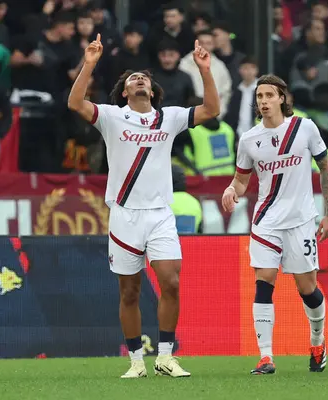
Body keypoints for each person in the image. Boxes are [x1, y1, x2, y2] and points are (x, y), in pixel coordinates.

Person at [67, 34, 220, 378]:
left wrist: (204, 70)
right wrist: (89, 63)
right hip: (124, 215)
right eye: (132, 78)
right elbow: (75, 103)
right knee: (130, 290)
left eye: (144, 78)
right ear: (124, 92)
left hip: (160, 214)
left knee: (171, 282)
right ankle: (136, 361)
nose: (139, 80)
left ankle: (165, 356)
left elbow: (212, 110)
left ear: (151, 91)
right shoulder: (110, 116)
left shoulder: (170, 117)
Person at [221, 74, 328, 375]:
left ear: (283, 98)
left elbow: (325, 169)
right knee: (264, 280)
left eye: (269, 95)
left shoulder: (304, 128)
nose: (264, 101)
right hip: (266, 221)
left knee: (307, 288)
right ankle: (266, 357)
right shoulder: (249, 139)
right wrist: (231, 189)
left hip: (300, 221)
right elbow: (242, 180)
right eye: (259, 96)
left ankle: (317, 340)